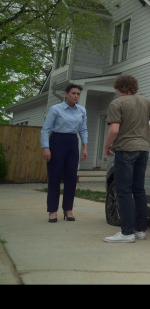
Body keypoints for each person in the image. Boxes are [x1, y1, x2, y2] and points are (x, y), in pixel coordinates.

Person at [103, 75, 150, 243]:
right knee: (139, 190)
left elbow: (114, 130)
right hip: (143, 149)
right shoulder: (145, 101)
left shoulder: (117, 103)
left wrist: (107, 146)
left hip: (126, 149)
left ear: (120, 88)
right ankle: (140, 230)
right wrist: (144, 135)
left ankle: (126, 232)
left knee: (123, 190)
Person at [41, 84, 88, 223]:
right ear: (66, 94)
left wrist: (84, 147)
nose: (76, 96)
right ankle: (52, 210)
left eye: (78, 94)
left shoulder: (82, 110)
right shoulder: (55, 109)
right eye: (73, 93)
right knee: (55, 177)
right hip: (57, 141)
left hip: (73, 143)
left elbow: (83, 130)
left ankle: (68, 209)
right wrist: (46, 147)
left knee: (71, 178)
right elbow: (45, 130)